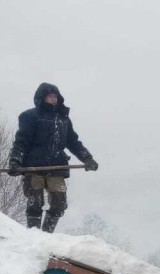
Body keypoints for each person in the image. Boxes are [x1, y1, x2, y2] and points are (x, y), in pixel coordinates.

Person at [8, 82, 98, 232]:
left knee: (59, 204)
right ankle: (33, 235)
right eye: (50, 96)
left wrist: (87, 158)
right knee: (35, 203)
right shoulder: (30, 116)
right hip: (34, 166)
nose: (53, 99)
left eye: (55, 96)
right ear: (41, 98)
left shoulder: (63, 119)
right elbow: (21, 141)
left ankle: (46, 236)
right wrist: (15, 160)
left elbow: (73, 142)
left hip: (57, 166)